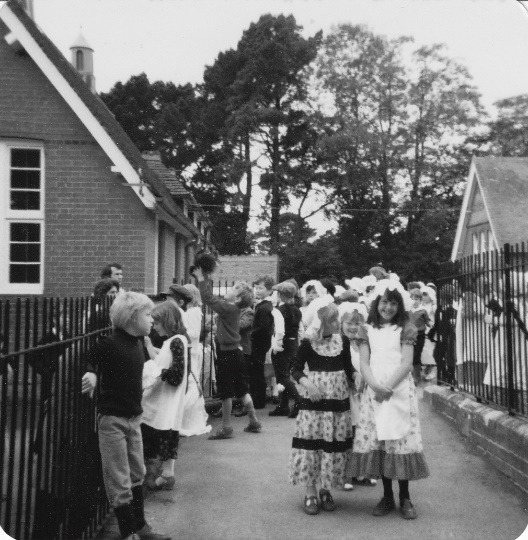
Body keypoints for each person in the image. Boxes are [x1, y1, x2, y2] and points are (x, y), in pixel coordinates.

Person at [81, 292, 170, 540]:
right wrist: (92, 374)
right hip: (113, 421)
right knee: (119, 479)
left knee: (137, 473)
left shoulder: (139, 344)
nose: (152, 319)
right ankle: (128, 531)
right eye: (147, 314)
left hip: (134, 418)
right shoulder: (109, 343)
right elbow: (89, 358)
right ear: (132, 317)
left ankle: (140, 527)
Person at [348, 280, 430, 520]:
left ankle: (405, 497)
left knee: (399, 439)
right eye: (384, 302)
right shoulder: (366, 329)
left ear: (399, 305)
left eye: (394, 303)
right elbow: (364, 361)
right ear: (377, 303)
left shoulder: (405, 327)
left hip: (398, 389)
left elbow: (406, 363)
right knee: (380, 442)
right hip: (374, 391)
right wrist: (374, 385)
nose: (388, 307)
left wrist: (388, 387)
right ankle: (386, 496)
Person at [289, 302, 355, 516]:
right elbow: (295, 369)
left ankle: (326, 489)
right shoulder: (308, 343)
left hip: (337, 403)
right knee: (312, 444)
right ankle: (310, 491)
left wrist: (357, 376)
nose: (338, 323)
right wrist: (308, 384)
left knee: (331, 445)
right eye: (334, 320)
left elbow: (348, 367)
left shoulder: (342, 341)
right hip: (314, 403)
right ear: (322, 323)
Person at [194, 267, 262, 439]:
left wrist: (201, 278)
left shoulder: (229, 309)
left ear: (237, 298)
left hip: (227, 355)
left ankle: (226, 427)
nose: (228, 290)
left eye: (232, 289)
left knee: (225, 393)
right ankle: (253, 420)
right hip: (236, 354)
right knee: (242, 390)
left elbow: (208, 298)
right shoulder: (233, 310)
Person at [141, 301, 194, 490]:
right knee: (167, 437)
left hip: (167, 402)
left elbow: (176, 376)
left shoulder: (176, 341)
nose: (153, 327)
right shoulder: (174, 341)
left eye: (156, 323)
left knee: (157, 435)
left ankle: (158, 475)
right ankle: (167, 475)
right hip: (169, 403)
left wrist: (156, 372)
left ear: (167, 321)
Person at [339, 303, 376, 490]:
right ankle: (346, 473)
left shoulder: (364, 343)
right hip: (346, 392)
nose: (353, 327)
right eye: (349, 323)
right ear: (341, 323)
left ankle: (361, 471)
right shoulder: (339, 342)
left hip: (362, 394)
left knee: (362, 432)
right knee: (347, 432)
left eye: (357, 323)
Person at [179, 284, 212, 437]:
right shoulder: (193, 311)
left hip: (192, 350)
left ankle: (185, 418)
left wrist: (180, 328)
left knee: (192, 383)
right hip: (192, 349)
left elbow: (194, 333)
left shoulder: (193, 312)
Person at [269, 281, 302, 418]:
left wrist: (277, 345)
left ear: (281, 295)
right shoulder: (297, 310)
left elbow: (279, 331)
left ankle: (299, 401)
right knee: (285, 375)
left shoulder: (279, 311)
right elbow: (300, 329)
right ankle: (283, 405)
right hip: (293, 344)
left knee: (282, 376)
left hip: (283, 345)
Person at [249, 275, 275, 409]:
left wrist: (251, 333)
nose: (257, 290)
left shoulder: (264, 307)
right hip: (262, 342)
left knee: (257, 372)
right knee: (258, 371)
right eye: (256, 288)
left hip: (259, 343)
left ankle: (258, 400)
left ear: (270, 291)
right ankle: (259, 399)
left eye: (261, 288)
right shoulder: (264, 305)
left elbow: (263, 327)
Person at [408, 288, 431, 384]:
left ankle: (416, 377)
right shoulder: (408, 310)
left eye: (416, 299)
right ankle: (409, 376)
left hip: (420, 335)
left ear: (420, 300)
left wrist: (430, 323)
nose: (414, 301)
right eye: (412, 299)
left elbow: (427, 320)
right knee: (409, 355)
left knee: (416, 355)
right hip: (409, 335)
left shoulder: (422, 310)